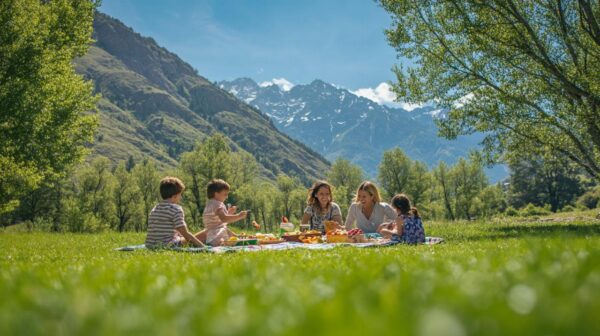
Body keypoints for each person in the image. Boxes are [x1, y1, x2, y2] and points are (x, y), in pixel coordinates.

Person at [145, 177, 206, 249]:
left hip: (150, 245)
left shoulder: (155, 208)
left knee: (180, 236)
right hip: (168, 245)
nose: (180, 197)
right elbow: (185, 233)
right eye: (180, 194)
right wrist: (203, 247)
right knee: (206, 233)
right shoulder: (176, 209)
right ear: (175, 196)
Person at [203, 179, 248, 246]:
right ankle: (222, 244)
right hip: (218, 235)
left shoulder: (210, 203)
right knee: (230, 242)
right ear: (216, 194)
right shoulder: (218, 204)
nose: (227, 197)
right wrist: (239, 216)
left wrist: (229, 213)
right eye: (225, 194)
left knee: (233, 235)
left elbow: (219, 221)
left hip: (211, 236)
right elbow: (224, 219)